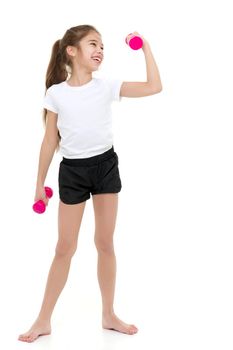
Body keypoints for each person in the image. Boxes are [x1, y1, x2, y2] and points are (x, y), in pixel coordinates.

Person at [18, 24, 162, 343]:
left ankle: (108, 313)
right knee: (64, 247)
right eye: (93, 44)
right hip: (72, 171)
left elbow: (154, 86)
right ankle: (43, 320)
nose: (100, 50)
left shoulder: (106, 86)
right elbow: (48, 141)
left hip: (105, 166)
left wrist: (145, 47)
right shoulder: (55, 93)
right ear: (71, 51)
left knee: (105, 243)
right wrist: (38, 184)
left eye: (103, 46)